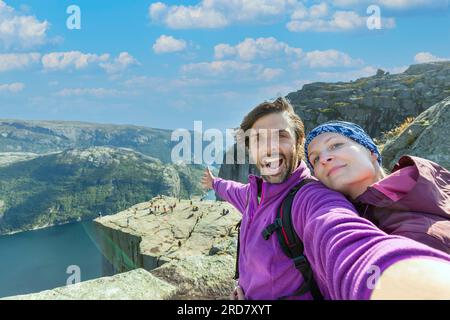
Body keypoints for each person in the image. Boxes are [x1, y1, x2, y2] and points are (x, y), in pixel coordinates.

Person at [201, 97, 450, 300]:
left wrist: (405, 279)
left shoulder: (311, 198)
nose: (270, 147)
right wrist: (214, 183)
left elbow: (346, 241)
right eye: (258, 139)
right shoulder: (252, 195)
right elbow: (230, 188)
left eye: (281, 136)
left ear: (298, 143)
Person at [305, 121, 450, 254]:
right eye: (315, 159)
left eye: (335, 145)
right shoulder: (337, 221)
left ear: (372, 153)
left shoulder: (423, 234)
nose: (324, 159)